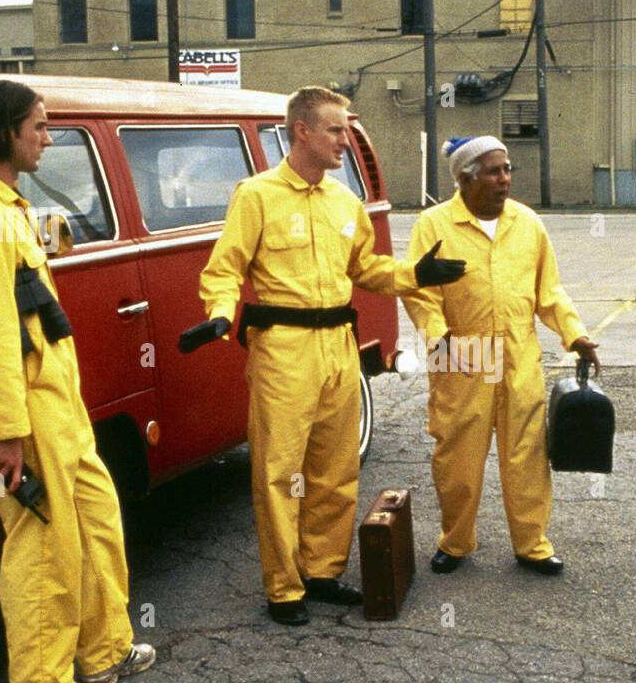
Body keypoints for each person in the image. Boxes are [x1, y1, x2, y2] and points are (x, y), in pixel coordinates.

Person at [198, 86, 465, 626]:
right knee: (279, 471)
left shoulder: (347, 203)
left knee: (336, 468)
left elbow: (365, 269)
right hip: (284, 350)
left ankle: (322, 571)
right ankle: (284, 587)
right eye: (336, 130)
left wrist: (416, 274)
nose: (346, 140)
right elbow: (225, 268)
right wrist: (221, 313)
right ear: (302, 131)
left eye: (345, 129)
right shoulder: (256, 195)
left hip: (338, 348)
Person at [0, 80, 153, 683]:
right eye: (39, 126)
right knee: (41, 542)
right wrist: (5, 435)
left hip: (55, 405)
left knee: (94, 519)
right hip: (21, 415)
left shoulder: (1, 207)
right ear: (7, 131)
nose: (48, 137)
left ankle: (103, 648)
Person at [402, 136, 599, 577]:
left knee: (527, 456)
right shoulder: (434, 225)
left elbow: (549, 291)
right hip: (461, 354)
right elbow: (420, 293)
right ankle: (454, 542)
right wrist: (440, 339)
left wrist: (575, 334)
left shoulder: (527, 224)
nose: (505, 179)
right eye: (494, 171)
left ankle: (532, 543)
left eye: (507, 169)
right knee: (458, 458)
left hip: (517, 355)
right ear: (466, 178)